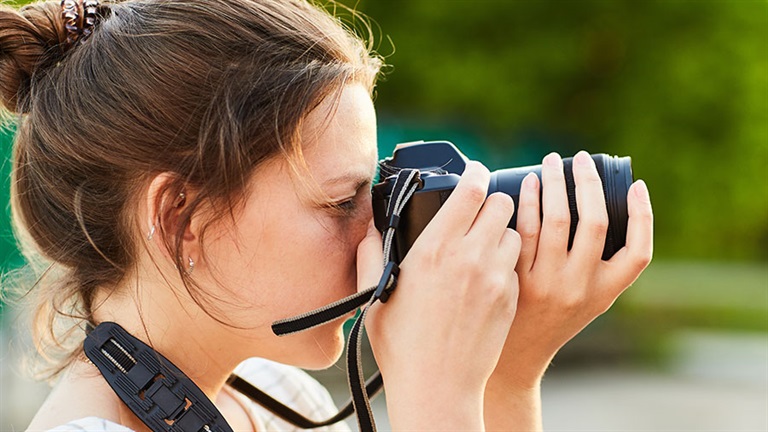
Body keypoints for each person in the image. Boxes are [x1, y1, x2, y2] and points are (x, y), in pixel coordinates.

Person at [0, 0, 654, 431]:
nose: (376, 230)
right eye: (343, 201)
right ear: (180, 217)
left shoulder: (282, 406)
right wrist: (435, 398)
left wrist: (506, 377)